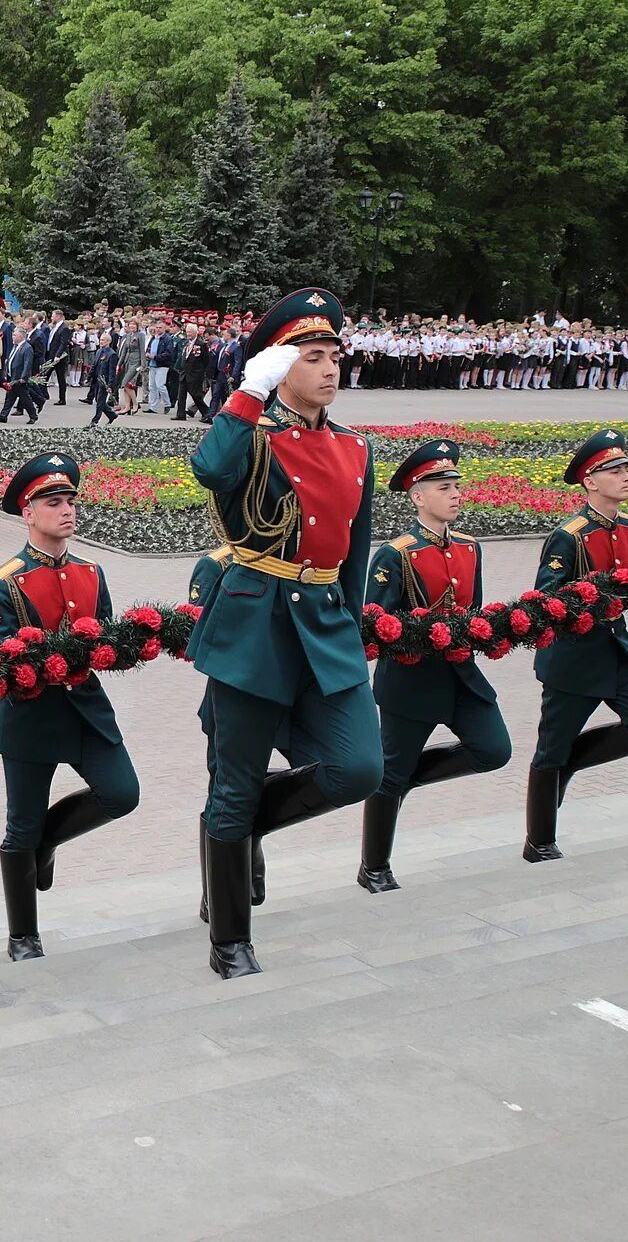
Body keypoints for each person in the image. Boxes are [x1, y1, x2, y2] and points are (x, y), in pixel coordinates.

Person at [187, 287, 381, 979]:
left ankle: (230, 834)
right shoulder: (254, 435)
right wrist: (247, 391)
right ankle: (230, 941)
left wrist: (353, 633)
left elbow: (356, 551)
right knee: (235, 784)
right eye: (311, 356)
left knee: (358, 766)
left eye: (335, 356)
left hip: (325, 623)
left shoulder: (358, 447)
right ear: (279, 364)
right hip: (255, 619)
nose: (329, 369)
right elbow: (210, 469)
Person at [0, 455, 141, 959]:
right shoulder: (3, 580)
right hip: (31, 718)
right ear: (28, 513)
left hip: (87, 711)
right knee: (20, 826)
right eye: (54, 503)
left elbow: (106, 638)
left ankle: (46, 843)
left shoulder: (91, 571)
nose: (66, 510)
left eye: (70, 501)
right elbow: (0, 654)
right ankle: (23, 934)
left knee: (122, 793)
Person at [359, 440, 511, 891]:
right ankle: (374, 866)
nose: (456, 494)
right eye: (444, 487)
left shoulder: (469, 547)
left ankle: (402, 778)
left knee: (493, 750)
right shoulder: (396, 554)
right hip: (411, 682)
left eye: (457, 486)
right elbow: (375, 623)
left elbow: (474, 610)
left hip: (462, 676)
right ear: (418, 496)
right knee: (389, 776)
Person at [524, 429, 628, 861]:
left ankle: (572, 764)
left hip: (616, 652)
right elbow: (545, 599)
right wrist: (589, 598)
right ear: (590, 481)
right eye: (615, 470)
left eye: (627, 469)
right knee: (550, 751)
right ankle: (540, 841)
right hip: (572, 659)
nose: (626, 476)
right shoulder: (569, 535)